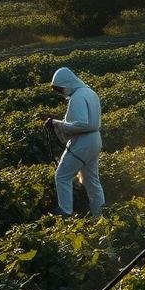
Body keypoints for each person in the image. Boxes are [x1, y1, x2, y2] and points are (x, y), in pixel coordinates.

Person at [41, 66, 105, 217]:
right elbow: (82, 122)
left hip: (83, 143)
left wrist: (55, 123)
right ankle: (100, 214)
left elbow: (82, 124)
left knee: (62, 175)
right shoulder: (89, 93)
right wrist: (57, 120)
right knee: (91, 180)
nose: (60, 92)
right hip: (95, 140)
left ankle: (65, 212)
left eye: (60, 88)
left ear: (67, 83)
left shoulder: (77, 97)